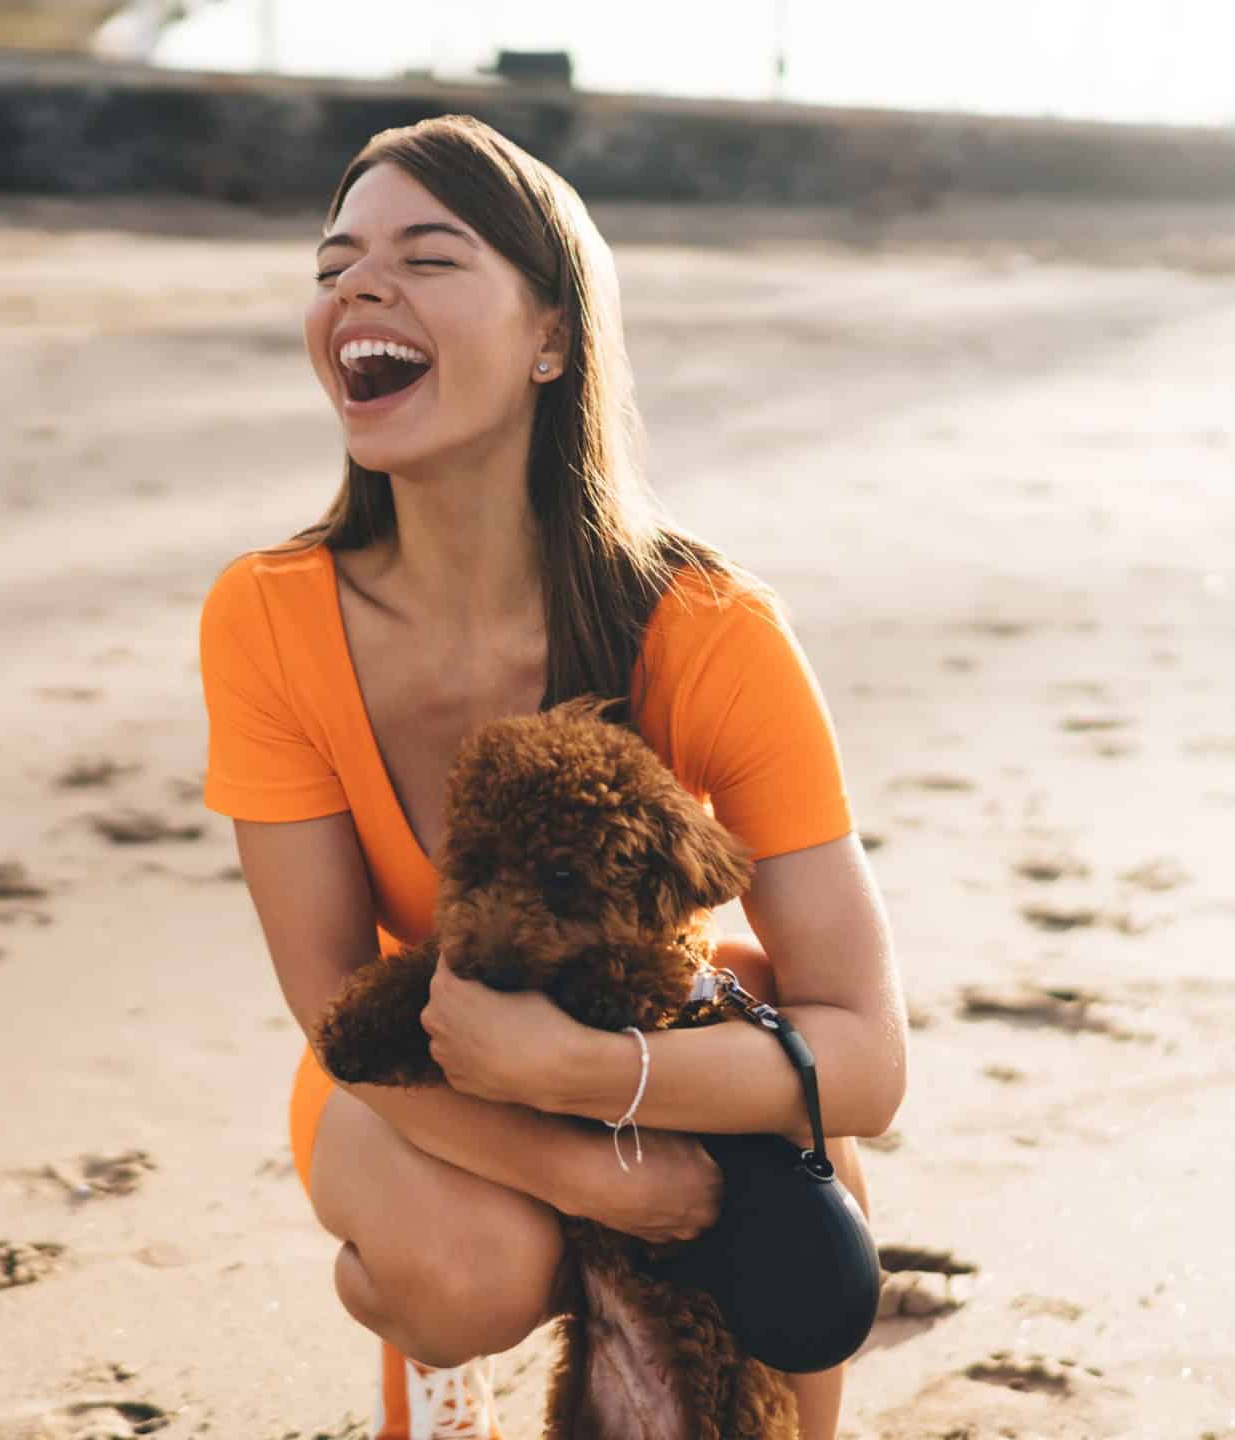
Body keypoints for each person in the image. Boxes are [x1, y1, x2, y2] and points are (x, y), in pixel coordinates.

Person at [196, 114, 906, 1440]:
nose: (359, 288)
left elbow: (864, 1057)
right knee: (472, 1274)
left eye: (428, 256)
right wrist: (593, 1178)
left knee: (809, 1288)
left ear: (551, 338)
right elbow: (337, 1001)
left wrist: (593, 1077)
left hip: (666, 1044)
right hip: (402, 1060)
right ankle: (433, 1363)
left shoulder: (709, 627)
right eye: (335, 263)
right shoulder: (268, 616)